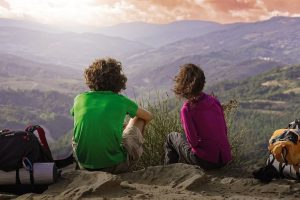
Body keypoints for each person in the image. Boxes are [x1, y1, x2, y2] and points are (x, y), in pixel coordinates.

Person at [71, 58, 153, 173]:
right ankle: (131, 156)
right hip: (113, 166)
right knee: (139, 118)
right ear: (118, 80)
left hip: (83, 164)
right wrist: (130, 129)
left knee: (77, 134)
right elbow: (148, 116)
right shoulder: (120, 100)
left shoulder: (79, 98)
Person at [164, 63, 232, 170]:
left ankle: (169, 172)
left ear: (183, 86)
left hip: (206, 161)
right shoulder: (214, 101)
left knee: (171, 137)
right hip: (224, 158)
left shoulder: (187, 109)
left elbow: (193, 142)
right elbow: (224, 130)